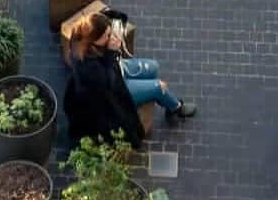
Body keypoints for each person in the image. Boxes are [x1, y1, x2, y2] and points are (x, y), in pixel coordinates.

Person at [63, 9, 196, 149]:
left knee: (153, 67)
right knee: (159, 88)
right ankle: (175, 108)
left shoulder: (84, 36)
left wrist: (115, 22)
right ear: (96, 40)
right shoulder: (88, 68)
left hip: (116, 70)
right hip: (113, 92)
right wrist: (112, 52)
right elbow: (110, 83)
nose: (111, 36)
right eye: (108, 35)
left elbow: (103, 20)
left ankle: (150, 92)